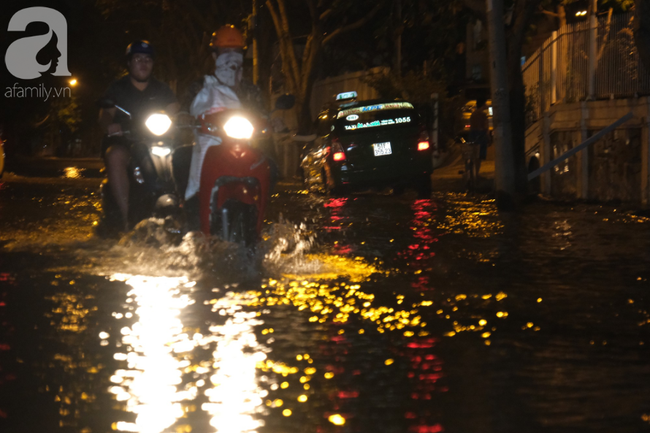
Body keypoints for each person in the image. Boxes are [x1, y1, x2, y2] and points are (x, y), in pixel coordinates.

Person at [99, 40, 179, 231]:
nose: (143, 63)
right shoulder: (118, 88)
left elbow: (175, 110)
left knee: (185, 156)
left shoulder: (162, 89)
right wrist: (110, 125)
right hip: (126, 141)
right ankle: (127, 220)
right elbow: (105, 113)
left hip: (158, 140)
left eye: (148, 59)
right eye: (138, 59)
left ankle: (185, 212)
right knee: (115, 155)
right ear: (129, 63)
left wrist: (184, 119)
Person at [183, 25, 266, 204]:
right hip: (206, 150)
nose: (231, 56)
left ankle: (260, 211)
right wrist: (182, 117)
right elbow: (183, 111)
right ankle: (188, 211)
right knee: (178, 161)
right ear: (214, 55)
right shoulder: (200, 87)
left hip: (244, 150)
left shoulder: (251, 90)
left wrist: (272, 122)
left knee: (271, 168)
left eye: (236, 51)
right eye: (225, 51)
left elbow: (263, 116)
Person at [468, 98, 490, 179]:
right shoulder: (483, 115)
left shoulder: (473, 114)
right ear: (483, 105)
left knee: (473, 155)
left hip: (473, 135)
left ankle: (471, 174)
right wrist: (488, 137)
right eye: (485, 104)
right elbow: (485, 127)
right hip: (481, 135)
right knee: (479, 156)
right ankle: (476, 174)